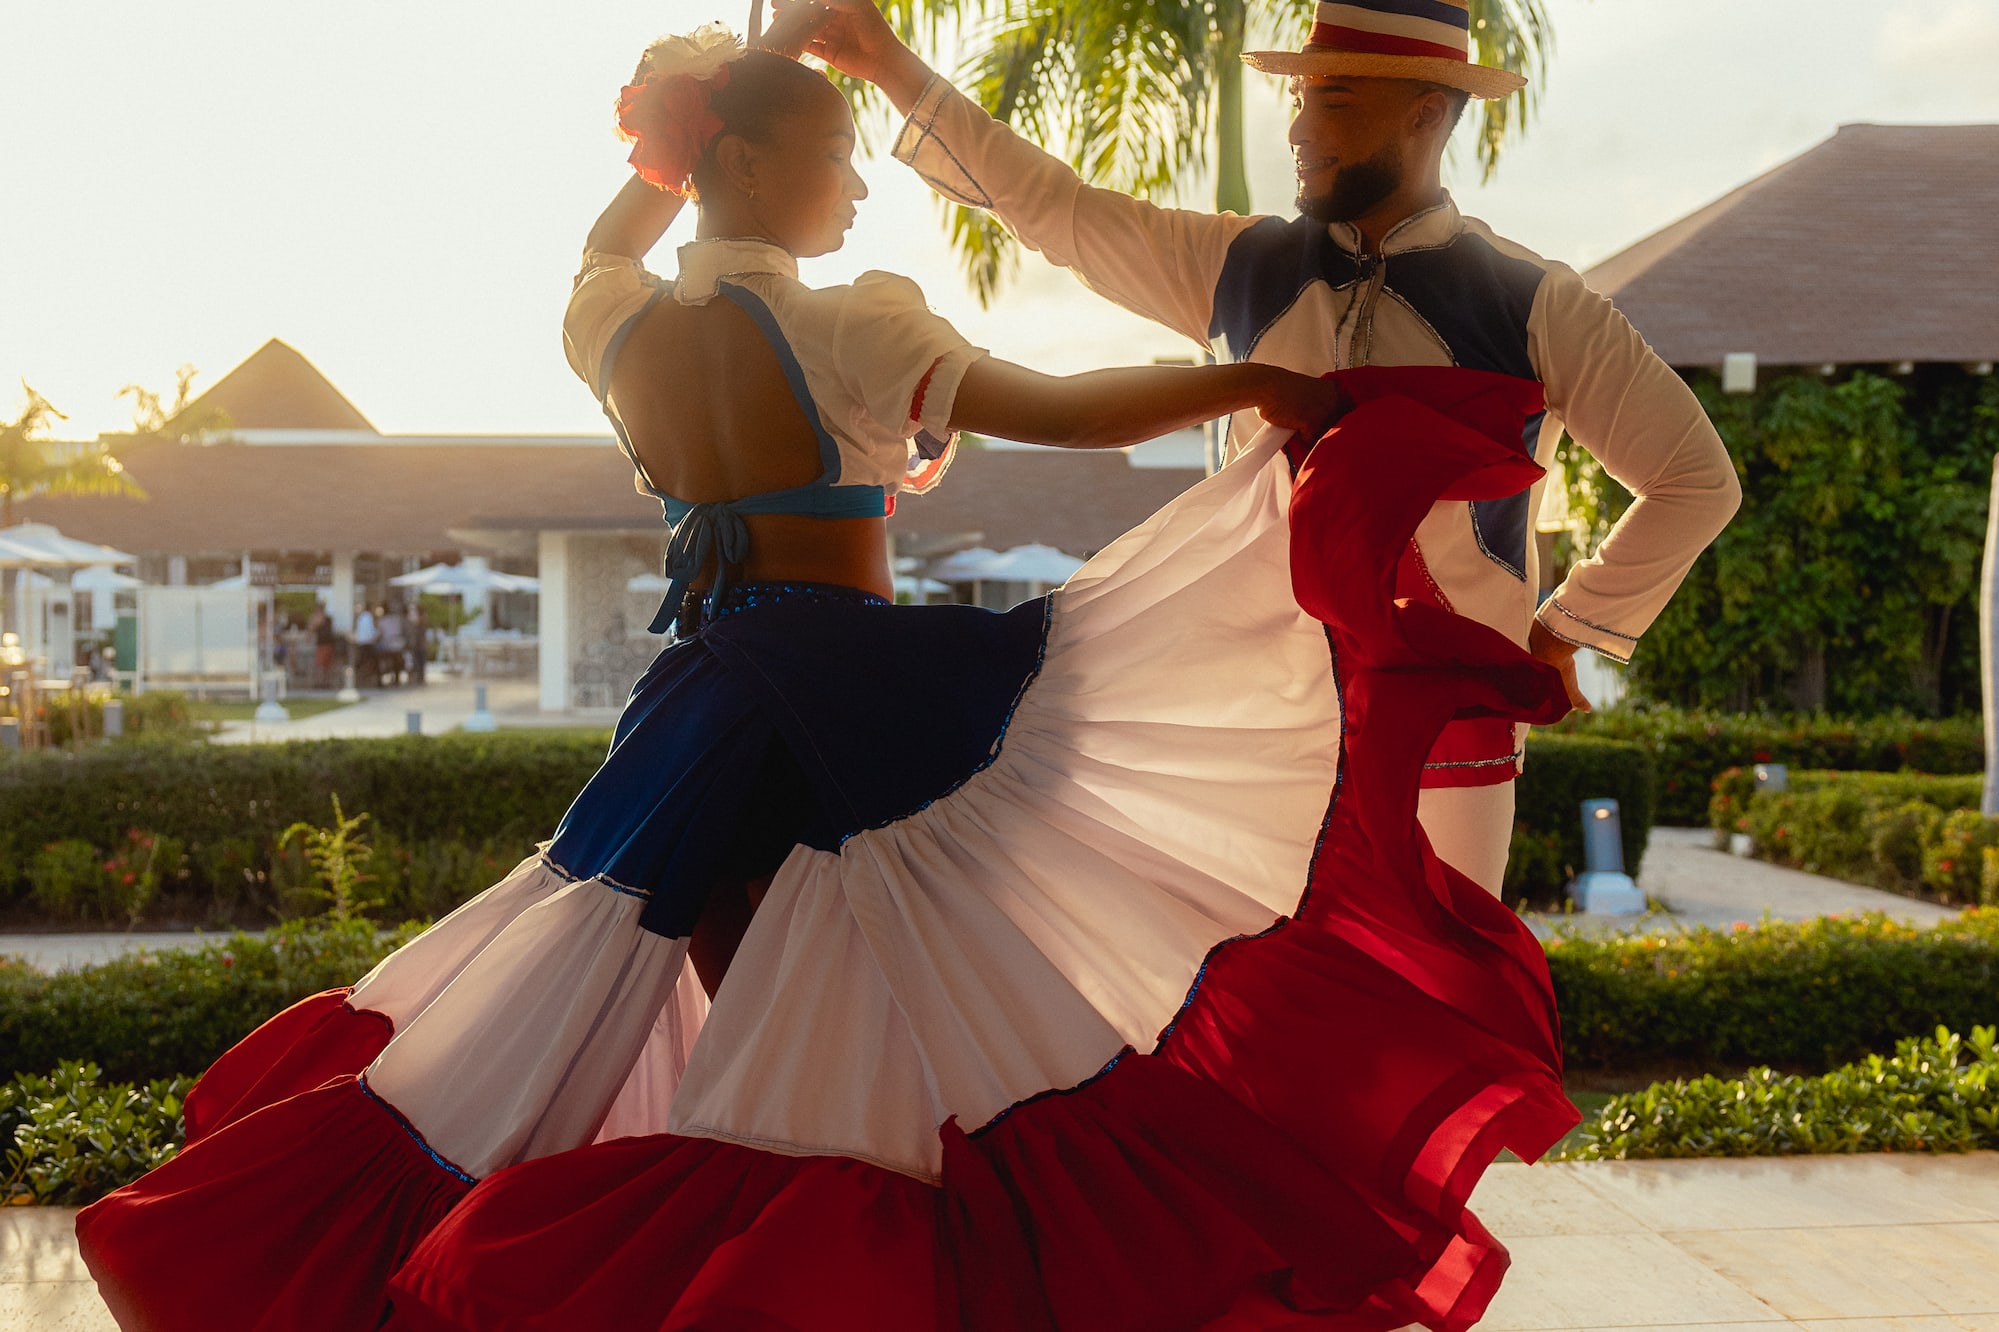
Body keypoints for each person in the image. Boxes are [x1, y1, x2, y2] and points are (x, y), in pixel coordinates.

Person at [77, 24, 1578, 1331]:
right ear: (740, 161)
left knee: (760, 1035)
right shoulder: (850, 315)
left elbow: (607, 246)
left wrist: (667, 145)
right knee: (930, 1041)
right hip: (868, 705)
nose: (855, 187)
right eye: (834, 154)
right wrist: (1255, 385)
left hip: (704, 704)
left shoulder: (612, 320)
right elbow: (1055, 407)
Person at [803, 0, 1741, 895]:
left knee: (1439, 1018)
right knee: (1255, 1027)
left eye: (1331, 99)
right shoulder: (1233, 264)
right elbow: (1053, 209)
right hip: (1259, 728)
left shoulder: (1536, 301)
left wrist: (1564, 629)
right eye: (1299, 99)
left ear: (1424, 113)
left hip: (1449, 740)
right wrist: (887, 63)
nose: (1296, 129)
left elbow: (1695, 480)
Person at [378, 601, 409, 687]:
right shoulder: (396, 619)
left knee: (379, 657)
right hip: (398, 644)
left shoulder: (383, 621)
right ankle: (396, 679)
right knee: (396, 660)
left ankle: (380, 678)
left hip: (389, 645)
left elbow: (380, 634)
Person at [352, 601, 380, 687]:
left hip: (361, 643)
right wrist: (378, 633)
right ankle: (379, 682)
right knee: (374, 662)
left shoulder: (361, 617)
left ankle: (354, 679)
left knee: (360, 662)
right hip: (368, 644)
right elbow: (371, 632)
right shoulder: (369, 617)